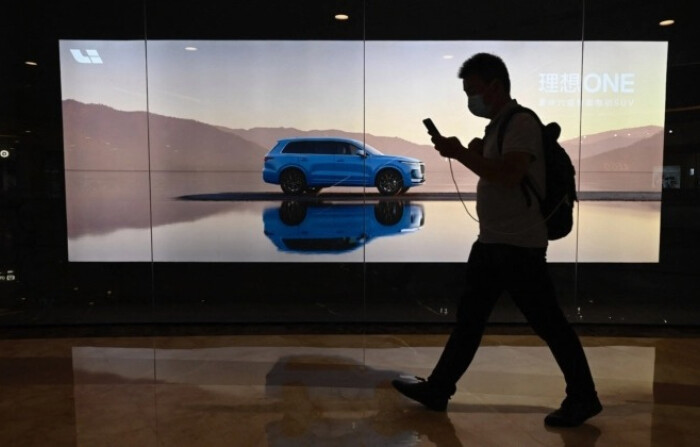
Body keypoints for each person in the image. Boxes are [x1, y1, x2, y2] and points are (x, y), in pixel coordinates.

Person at [392, 53, 602, 428]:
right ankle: (439, 388)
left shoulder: (520, 123)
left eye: (472, 91)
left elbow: (508, 175)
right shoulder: (498, 127)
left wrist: (460, 153)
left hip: (518, 247)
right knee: (470, 320)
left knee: (548, 324)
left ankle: (584, 397)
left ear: (495, 85)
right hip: (494, 244)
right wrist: (472, 154)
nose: (470, 99)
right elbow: (500, 174)